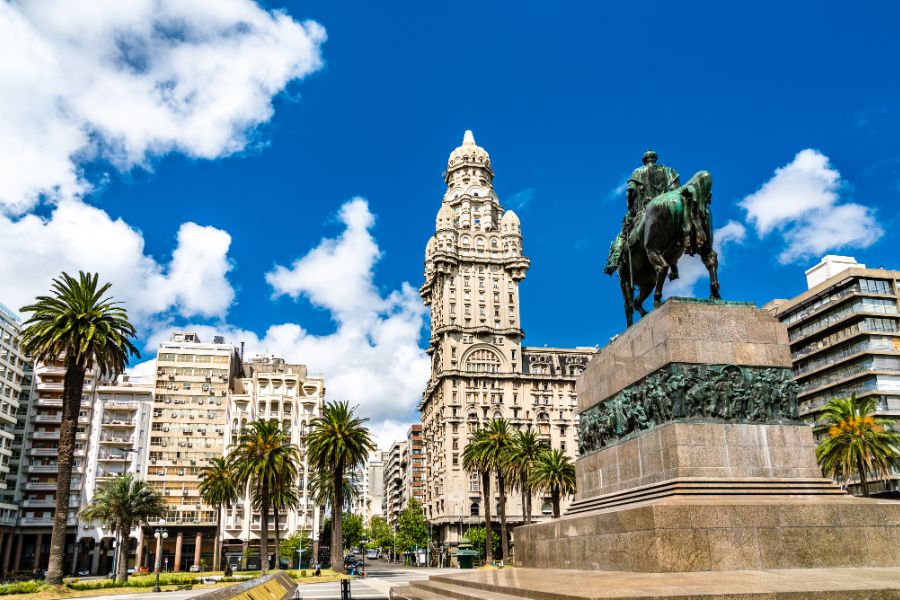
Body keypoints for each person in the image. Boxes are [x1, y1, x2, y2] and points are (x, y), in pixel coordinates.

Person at [605, 150, 681, 277]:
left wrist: (630, 207)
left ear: (645, 160)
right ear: (655, 159)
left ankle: (614, 261)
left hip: (643, 211)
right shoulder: (668, 171)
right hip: (667, 209)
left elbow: (630, 192)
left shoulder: (638, 172)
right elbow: (675, 189)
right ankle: (674, 267)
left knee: (623, 234)